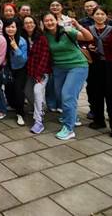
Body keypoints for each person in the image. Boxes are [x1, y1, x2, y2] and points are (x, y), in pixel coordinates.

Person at [42, 12, 93, 140]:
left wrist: (78, 26)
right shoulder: (45, 35)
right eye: (46, 21)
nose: (49, 22)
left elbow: (88, 37)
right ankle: (72, 116)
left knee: (68, 95)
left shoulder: (67, 30)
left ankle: (68, 128)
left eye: (51, 20)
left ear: (56, 20)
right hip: (59, 68)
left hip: (77, 66)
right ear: (43, 23)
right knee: (60, 95)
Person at [87, 6, 112, 139]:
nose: (99, 16)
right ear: (93, 16)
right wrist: (88, 47)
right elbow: (82, 43)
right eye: (97, 14)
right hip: (94, 65)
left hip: (110, 66)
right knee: (95, 94)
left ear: (106, 16)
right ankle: (99, 121)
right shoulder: (88, 30)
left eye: (102, 14)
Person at [23, 16, 52, 134]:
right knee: (27, 91)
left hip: (41, 72)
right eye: (26, 23)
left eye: (31, 22)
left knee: (37, 91)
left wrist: (39, 74)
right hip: (30, 71)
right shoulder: (24, 38)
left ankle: (38, 121)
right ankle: (40, 107)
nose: (29, 25)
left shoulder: (41, 38)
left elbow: (45, 56)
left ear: (35, 24)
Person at [2, 19, 28, 126]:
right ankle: (12, 105)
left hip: (20, 69)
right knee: (8, 88)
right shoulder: (2, 39)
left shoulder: (22, 41)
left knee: (18, 90)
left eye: (13, 27)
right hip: (8, 69)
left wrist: (16, 47)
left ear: (17, 28)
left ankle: (20, 113)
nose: (10, 29)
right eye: (8, 27)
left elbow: (23, 59)